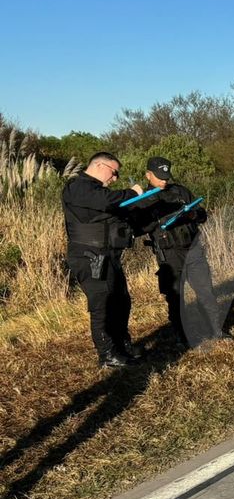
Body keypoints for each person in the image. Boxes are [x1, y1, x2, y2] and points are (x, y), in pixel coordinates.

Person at [132, 156, 230, 347]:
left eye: (166, 176)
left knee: (206, 291)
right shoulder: (142, 199)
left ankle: (216, 329)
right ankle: (182, 335)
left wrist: (193, 214)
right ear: (148, 175)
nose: (164, 181)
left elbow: (202, 214)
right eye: (160, 177)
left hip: (193, 249)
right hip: (169, 255)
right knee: (175, 296)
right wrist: (155, 220)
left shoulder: (180, 191)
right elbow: (137, 229)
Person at [62, 152, 145, 367]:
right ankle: (107, 354)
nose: (115, 178)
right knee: (102, 304)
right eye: (114, 172)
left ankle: (122, 345)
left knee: (121, 301)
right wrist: (132, 193)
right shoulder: (77, 186)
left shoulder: (97, 190)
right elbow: (105, 201)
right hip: (89, 256)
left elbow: (113, 211)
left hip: (108, 255)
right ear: (100, 165)